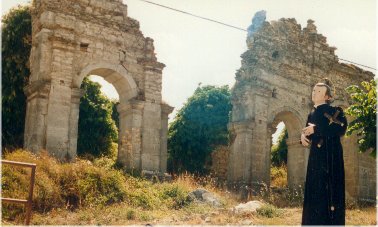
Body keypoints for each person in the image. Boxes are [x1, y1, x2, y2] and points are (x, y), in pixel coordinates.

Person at [300, 78, 348, 225]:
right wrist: (303, 136)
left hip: (330, 157)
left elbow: (341, 127)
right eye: (314, 90)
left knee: (330, 192)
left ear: (328, 97)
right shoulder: (311, 114)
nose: (315, 92)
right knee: (314, 189)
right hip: (316, 158)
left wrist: (316, 129)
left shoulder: (335, 111)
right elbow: (308, 130)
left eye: (319, 91)